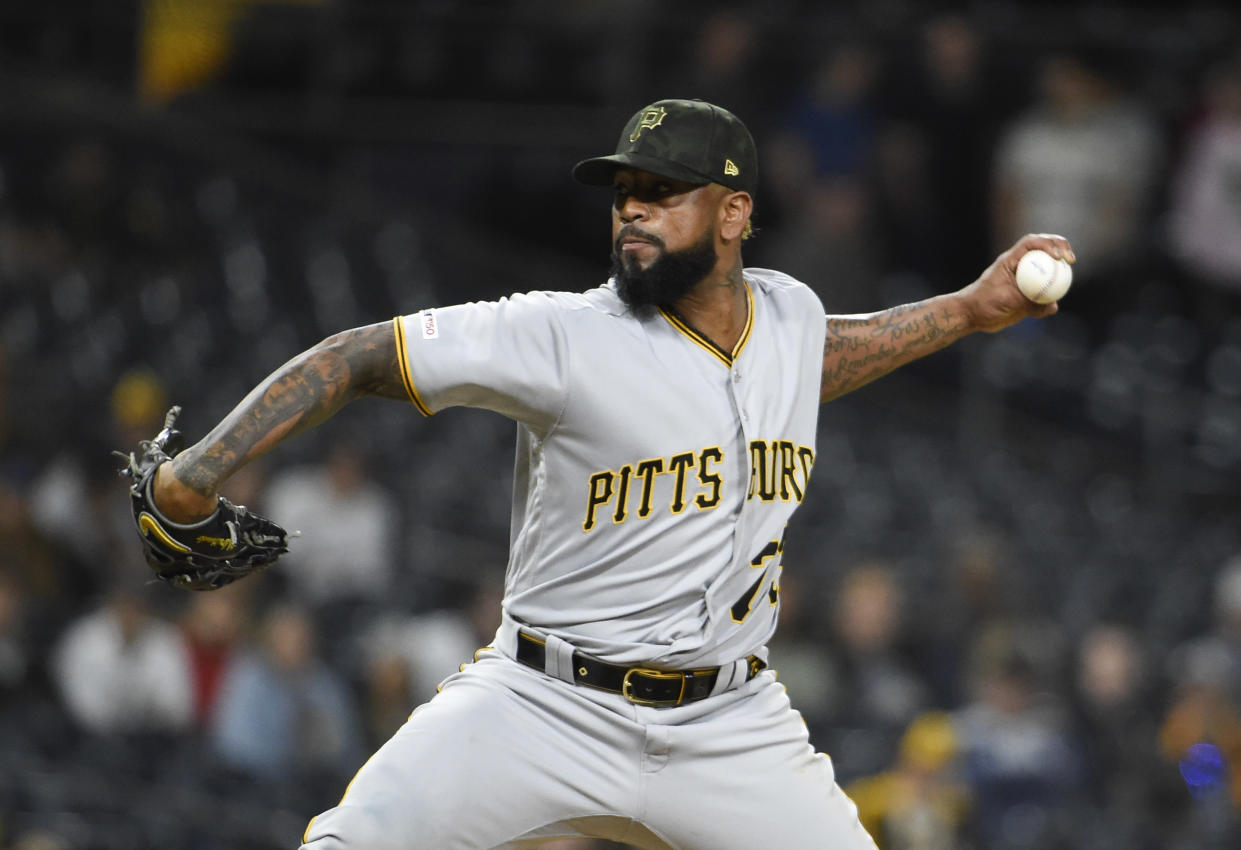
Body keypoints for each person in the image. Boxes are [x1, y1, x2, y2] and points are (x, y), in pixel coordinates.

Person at [144, 98, 1072, 849]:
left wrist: (963, 310)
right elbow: (354, 356)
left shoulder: (788, 317)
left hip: (730, 721)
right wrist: (194, 474)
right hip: (541, 701)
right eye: (625, 190)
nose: (632, 208)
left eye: (663, 191)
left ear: (734, 212)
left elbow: (823, 357)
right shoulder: (562, 334)